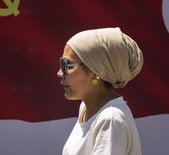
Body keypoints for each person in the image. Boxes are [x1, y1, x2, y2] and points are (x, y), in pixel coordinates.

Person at [57, 27, 143, 155]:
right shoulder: (86, 109)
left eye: (66, 65)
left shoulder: (110, 120)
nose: (59, 73)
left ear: (95, 72)